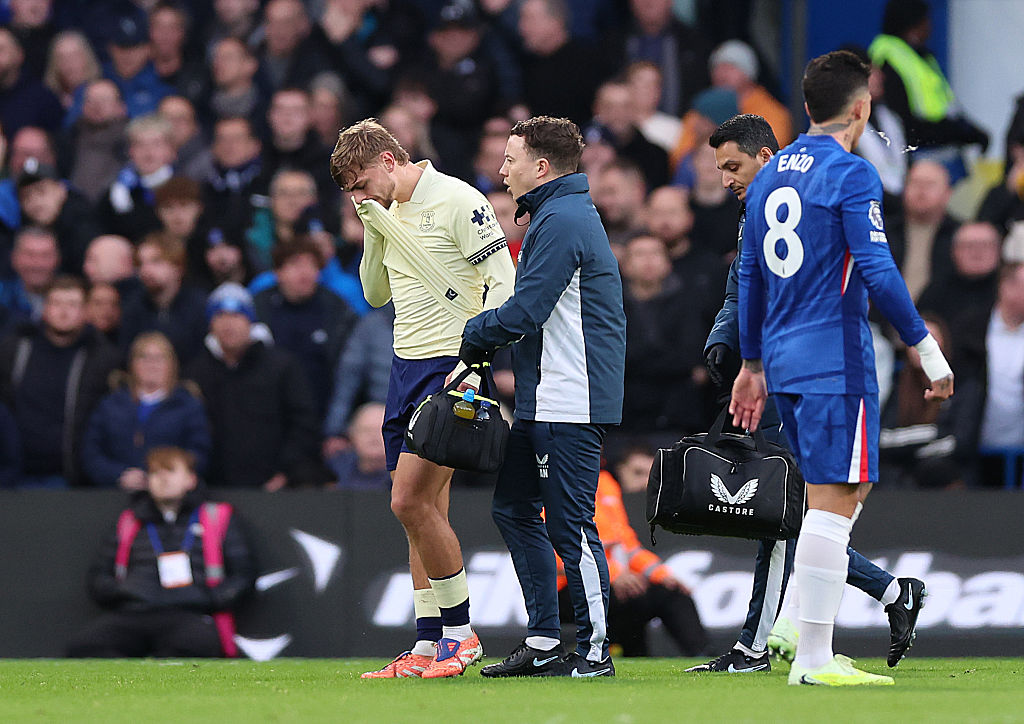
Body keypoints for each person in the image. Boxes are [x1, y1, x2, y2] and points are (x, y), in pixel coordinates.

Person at [730, 51, 953, 686]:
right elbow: (878, 270)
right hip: (836, 358)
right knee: (834, 502)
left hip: (785, 359)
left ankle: (800, 623)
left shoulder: (770, 176)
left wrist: (752, 363)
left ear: (806, 108)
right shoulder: (851, 174)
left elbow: (749, 275)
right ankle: (812, 655)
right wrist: (925, 347)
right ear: (863, 107)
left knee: (837, 495)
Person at [690, 112, 930, 675]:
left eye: (733, 165)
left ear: (766, 156)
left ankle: (759, 644)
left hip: (809, 369)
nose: (726, 179)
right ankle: (893, 594)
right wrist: (728, 345)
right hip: (774, 370)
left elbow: (858, 271)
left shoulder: (805, 195)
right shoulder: (759, 209)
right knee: (792, 509)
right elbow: (741, 288)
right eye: (720, 168)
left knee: (789, 509)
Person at [330, 118, 515, 679]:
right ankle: (427, 644)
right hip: (404, 365)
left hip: (450, 365)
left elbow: (502, 280)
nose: (359, 198)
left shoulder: (458, 199)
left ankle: (461, 635)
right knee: (423, 513)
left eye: (362, 185)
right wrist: (374, 228)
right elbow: (374, 291)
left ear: (389, 160)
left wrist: (477, 361)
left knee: (408, 502)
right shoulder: (386, 213)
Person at [461, 115, 625, 678]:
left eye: (510, 158)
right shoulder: (558, 214)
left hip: (569, 395)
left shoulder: (563, 219)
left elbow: (527, 311)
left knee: (571, 526)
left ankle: (596, 650)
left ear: (541, 166)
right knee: (513, 508)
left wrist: (472, 335)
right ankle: (545, 640)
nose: (501, 168)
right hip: (545, 393)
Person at [67, 446, 256, 658]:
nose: (162, 479)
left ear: (191, 479)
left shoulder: (215, 517)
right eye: (155, 473)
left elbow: (243, 575)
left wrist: (206, 598)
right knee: (85, 647)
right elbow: (98, 577)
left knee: (197, 645)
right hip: (135, 612)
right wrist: (125, 591)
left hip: (188, 613)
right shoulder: (130, 521)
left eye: (171, 471)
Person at [185, 282, 324, 490]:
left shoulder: (281, 366)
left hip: (275, 488)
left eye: (236, 315)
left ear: (250, 321)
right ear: (210, 324)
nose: (228, 324)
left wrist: (286, 471)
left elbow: (303, 424)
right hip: (214, 489)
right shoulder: (196, 373)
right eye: (220, 316)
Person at [557, 467, 707, 657]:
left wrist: (662, 574)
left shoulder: (605, 481)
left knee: (672, 592)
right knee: (632, 598)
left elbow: (627, 545)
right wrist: (612, 575)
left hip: (614, 583)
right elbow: (555, 555)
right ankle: (626, 653)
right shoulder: (553, 482)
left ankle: (704, 658)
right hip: (569, 587)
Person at [0, 275, 120, 487]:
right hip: (12, 474)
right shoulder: (14, 348)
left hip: (72, 476)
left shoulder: (102, 357)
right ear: (44, 308)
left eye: (73, 304)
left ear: (85, 311)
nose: (64, 312)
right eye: (56, 303)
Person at [81, 331, 211, 489]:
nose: (152, 364)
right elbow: (91, 452)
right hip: (114, 495)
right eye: (144, 357)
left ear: (172, 364)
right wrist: (119, 475)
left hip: (173, 496)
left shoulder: (188, 405)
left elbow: (199, 453)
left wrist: (163, 475)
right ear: (132, 364)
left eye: (159, 358)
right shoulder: (110, 404)